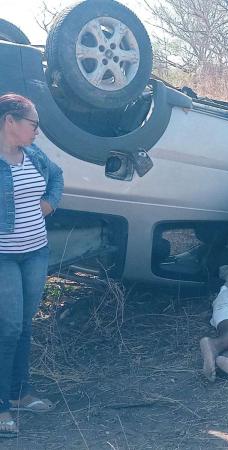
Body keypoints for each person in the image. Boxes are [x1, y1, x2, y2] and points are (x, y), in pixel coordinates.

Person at [0, 93, 63, 438]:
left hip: (35, 253)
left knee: (24, 325)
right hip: (4, 257)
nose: (38, 131)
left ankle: (21, 393)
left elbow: (58, 176)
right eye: (33, 124)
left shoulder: (34, 155)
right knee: (7, 328)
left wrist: (49, 204)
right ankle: (1, 407)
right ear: (10, 122)